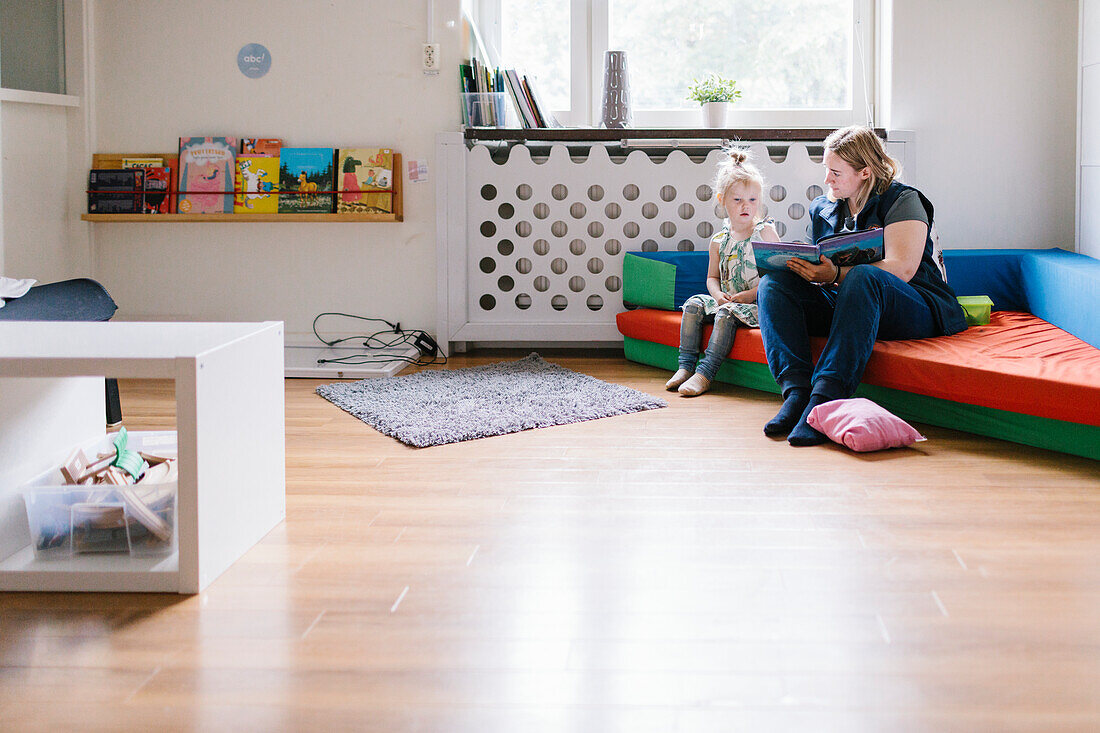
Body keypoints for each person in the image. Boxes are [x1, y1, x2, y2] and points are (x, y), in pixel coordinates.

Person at [757, 125, 967, 445]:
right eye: (826, 169)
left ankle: (824, 399)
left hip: (914, 304)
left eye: (836, 172)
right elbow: (820, 264)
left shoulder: (903, 200)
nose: (827, 179)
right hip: (850, 303)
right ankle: (796, 394)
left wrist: (836, 275)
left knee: (863, 275)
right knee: (774, 284)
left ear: (865, 172)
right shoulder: (824, 208)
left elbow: (903, 268)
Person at [665, 147, 779, 396]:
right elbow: (712, 277)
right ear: (722, 201)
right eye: (737, 200)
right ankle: (685, 366)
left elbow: (778, 277)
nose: (745, 206)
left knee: (726, 313)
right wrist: (717, 295)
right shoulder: (719, 240)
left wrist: (750, 294)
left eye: (752, 199)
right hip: (727, 301)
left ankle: (705, 373)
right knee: (693, 303)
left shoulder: (765, 232)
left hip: (757, 305)